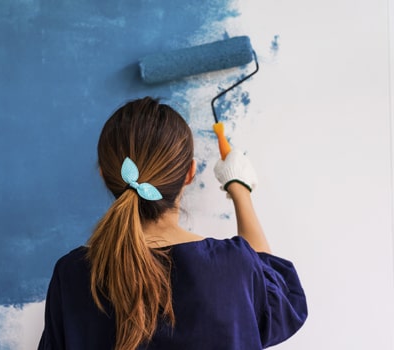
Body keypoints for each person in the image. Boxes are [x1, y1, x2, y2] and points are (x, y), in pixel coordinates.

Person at [38, 97, 307, 350]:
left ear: (104, 175)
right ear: (190, 173)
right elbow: (279, 300)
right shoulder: (232, 266)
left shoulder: (72, 275)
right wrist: (240, 188)